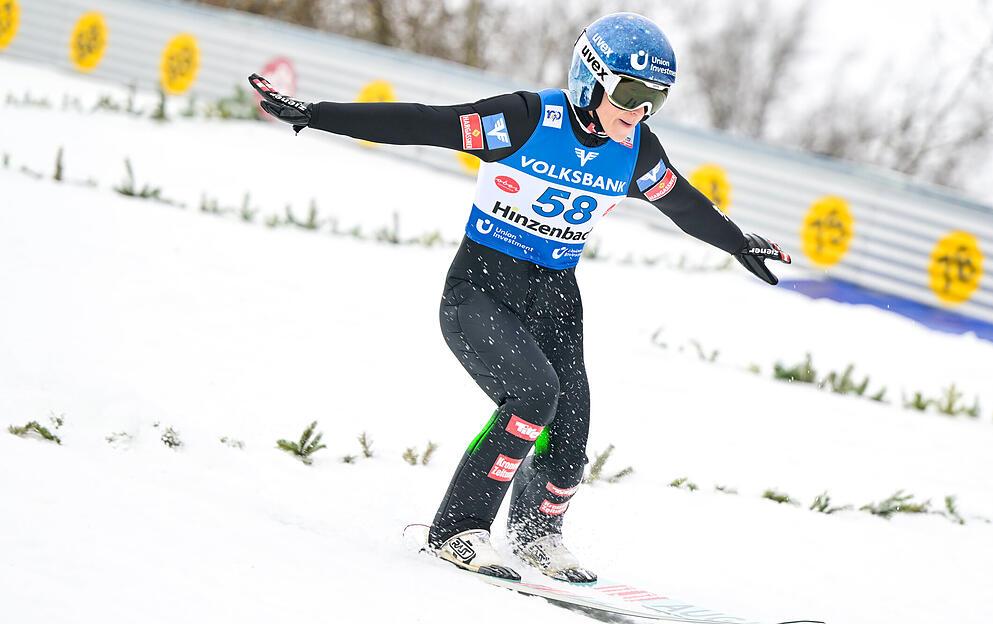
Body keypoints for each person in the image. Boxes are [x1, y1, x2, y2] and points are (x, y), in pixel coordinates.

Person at [250, 12, 791, 585]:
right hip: (480, 290)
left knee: (571, 425)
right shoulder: (525, 120)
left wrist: (738, 243)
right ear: (591, 80)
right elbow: (422, 123)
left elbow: (683, 204)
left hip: (555, 299)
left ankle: (537, 535)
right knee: (534, 395)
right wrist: (315, 115)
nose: (638, 113)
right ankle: (458, 530)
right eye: (629, 95)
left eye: (654, 100)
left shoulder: (634, 150)